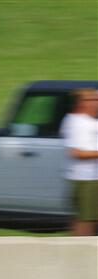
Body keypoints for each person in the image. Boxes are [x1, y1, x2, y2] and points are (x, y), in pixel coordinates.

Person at [59, 88, 98, 236]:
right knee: (85, 221)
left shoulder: (88, 121)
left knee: (87, 219)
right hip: (85, 179)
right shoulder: (76, 122)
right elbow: (77, 152)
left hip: (91, 178)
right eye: (93, 100)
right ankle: (80, 254)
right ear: (82, 103)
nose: (96, 103)